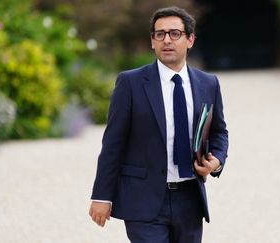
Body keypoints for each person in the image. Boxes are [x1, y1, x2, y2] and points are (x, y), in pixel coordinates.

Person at [89, 6, 229, 243]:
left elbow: (219, 133)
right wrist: (102, 196)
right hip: (143, 200)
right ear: (152, 41)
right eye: (159, 34)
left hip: (190, 199)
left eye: (175, 33)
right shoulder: (130, 83)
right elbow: (113, 143)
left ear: (190, 39)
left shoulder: (208, 84)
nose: (167, 40)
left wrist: (216, 162)